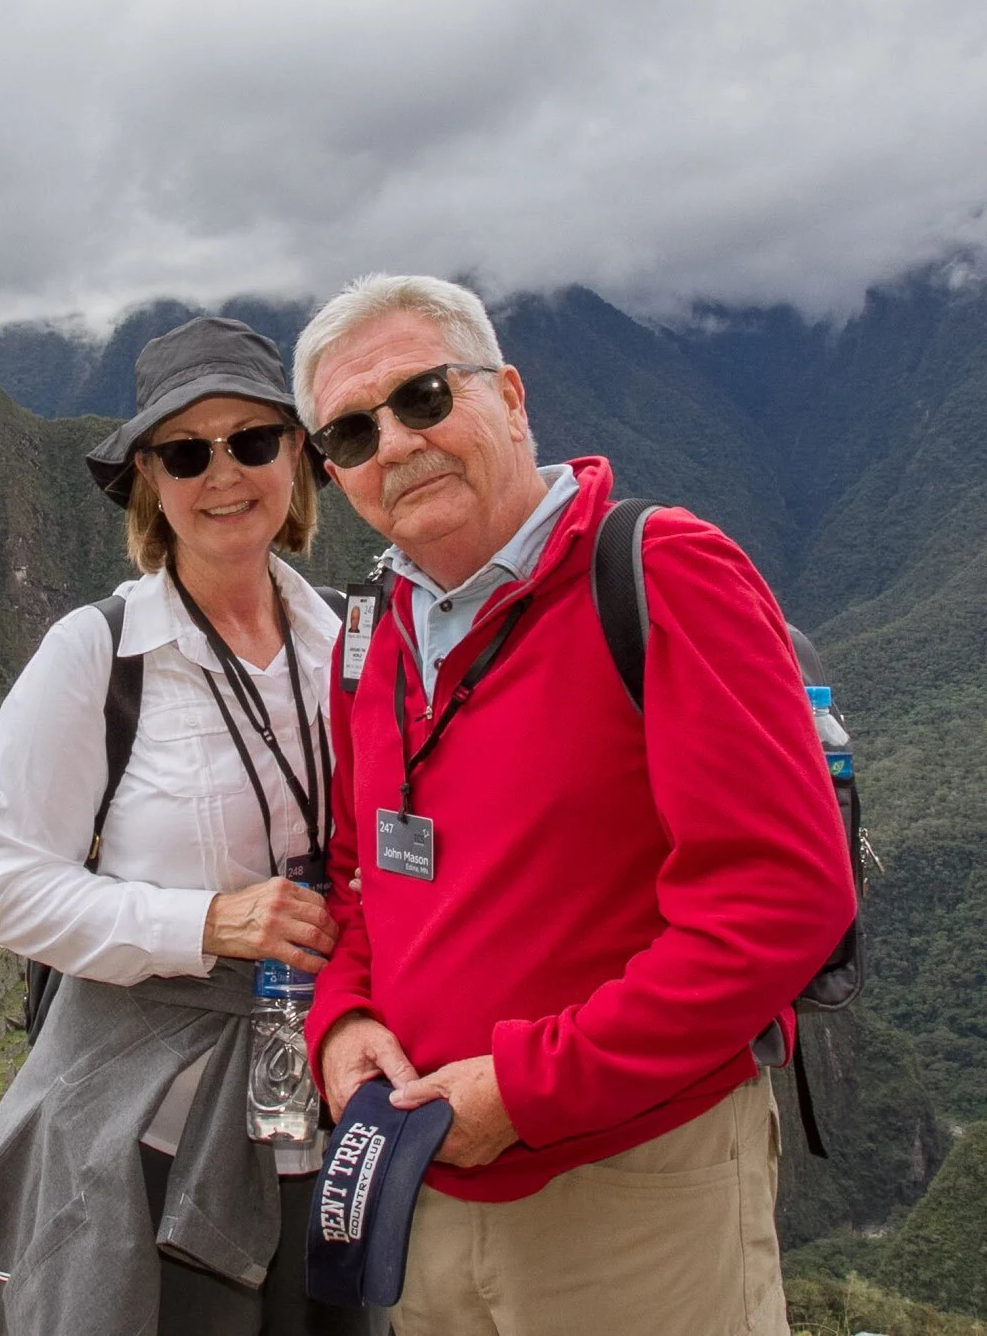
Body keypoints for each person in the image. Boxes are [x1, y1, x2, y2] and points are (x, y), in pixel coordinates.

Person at [291, 275, 857, 1335]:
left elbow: (781, 899)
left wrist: (527, 1090)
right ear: (334, 472)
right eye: (353, 431)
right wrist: (344, 1018)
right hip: (425, 1184)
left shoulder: (660, 573)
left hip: (632, 1190)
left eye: (422, 397)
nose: (397, 442)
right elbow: (360, 873)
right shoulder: (370, 636)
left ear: (508, 396)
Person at [0, 317, 371, 1335]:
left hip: (331, 1109)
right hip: (154, 1135)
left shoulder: (349, 645)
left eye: (252, 440)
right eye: (186, 453)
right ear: (150, 478)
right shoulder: (98, 657)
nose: (223, 473)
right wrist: (205, 923)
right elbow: (5, 886)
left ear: (296, 455)